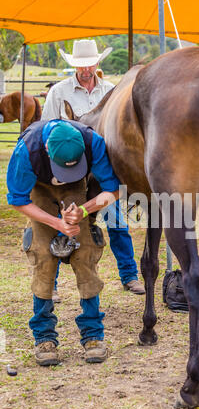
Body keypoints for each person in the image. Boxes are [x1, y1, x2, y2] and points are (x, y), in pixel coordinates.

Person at [7, 119, 122, 366]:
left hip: (76, 189)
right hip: (39, 190)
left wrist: (84, 210)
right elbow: (17, 199)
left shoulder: (93, 141)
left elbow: (113, 190)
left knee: (85, 253)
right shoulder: (27, 149)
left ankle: (93, 334)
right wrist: (56, 223)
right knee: (42, 257)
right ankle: (44, 336)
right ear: (47, 150)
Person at [42, 39, 145, 299]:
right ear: (74, 66)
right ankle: (50, 282)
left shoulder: (111, 92)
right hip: (70, 173)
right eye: (80, 65)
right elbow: (45, 129)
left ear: (97, 63)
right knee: (62, 222)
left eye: (90, 64)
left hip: (104, 169)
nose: (86, 69)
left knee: (117, 223)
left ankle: (129, 275)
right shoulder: (59, 92)